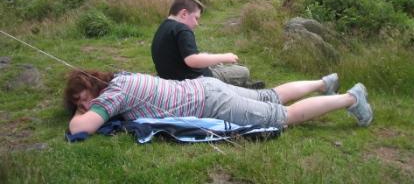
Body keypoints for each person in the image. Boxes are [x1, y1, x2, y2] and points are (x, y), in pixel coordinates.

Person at [65, 70, 373, 135]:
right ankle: (324, 82)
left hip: (209, 103)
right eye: (79, 102)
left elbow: (82, 129)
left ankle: (350, 98)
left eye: (84, 96)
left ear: (94, 86)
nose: (86, 103)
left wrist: (82, 113)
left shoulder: (113, 95)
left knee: (283, 115)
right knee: (272, 95)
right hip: (204, 86)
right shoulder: (124, 77)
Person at [151, 0, 264, 88]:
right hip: (196, 80)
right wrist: (225, 56)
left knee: (215, 62)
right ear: (184, 14)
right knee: (243, 71)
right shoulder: (182, 29)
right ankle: (243, 87)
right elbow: (192, 60)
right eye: (196, 18)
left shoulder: (164, 26)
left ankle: (241, 85)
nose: (197, 24)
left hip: (172, 77)